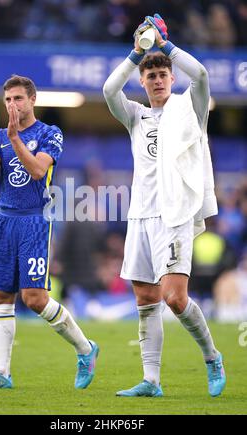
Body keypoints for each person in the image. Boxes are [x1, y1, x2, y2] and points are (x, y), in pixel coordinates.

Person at [103, 14, 226, 398]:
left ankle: (212, 356)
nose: (157, 80)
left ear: (171, 79)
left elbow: (203, 74)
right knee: (146, 300)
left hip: (174, 216)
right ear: (142, 81)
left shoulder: (190, 107)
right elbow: (109, 91)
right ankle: (151, 381)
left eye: (162, 75)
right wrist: (137, 52)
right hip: (139, 217)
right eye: (150, 75)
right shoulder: (136, 116)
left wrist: (165, 44)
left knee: (175, 298)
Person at [0, 75, 98, 389]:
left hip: (35, 220)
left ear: (32, 100)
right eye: (8, 99)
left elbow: (38, 171)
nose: (12, 104)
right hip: (4, 219)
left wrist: (12, 138)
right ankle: (1, 372)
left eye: (18, 99)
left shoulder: (50, 133)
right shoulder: (0, 135)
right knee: (0, 295)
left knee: (35, 298)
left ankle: (86, 349)